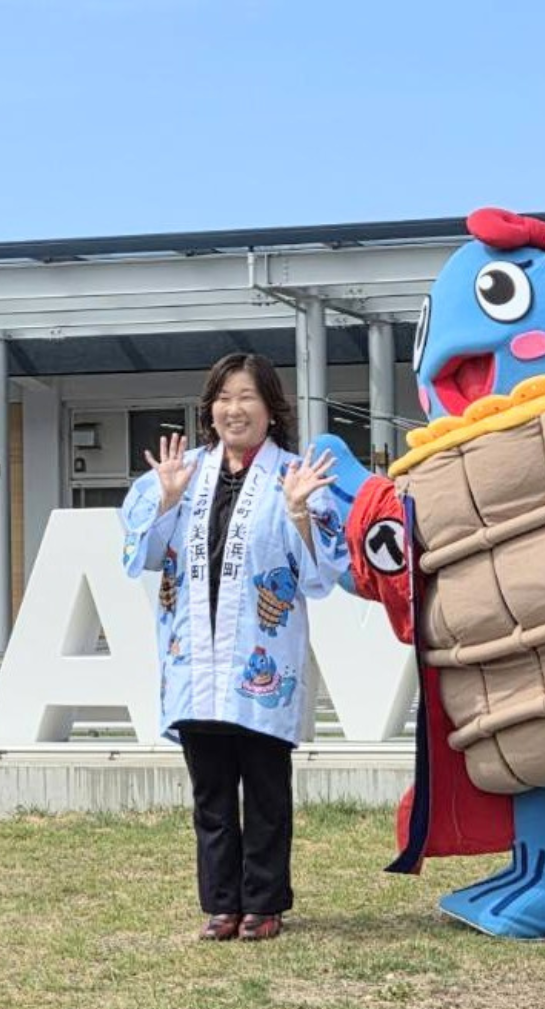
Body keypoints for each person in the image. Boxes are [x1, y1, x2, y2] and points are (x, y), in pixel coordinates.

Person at [120, 352, 349, 941]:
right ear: (209, 409)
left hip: (260, 665)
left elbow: (321, 575)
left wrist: (299, 513)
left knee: (267, 791)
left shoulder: (295, 476)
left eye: (247, 396)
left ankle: (264, 904)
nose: (234, 409)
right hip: (194, 660)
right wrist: (168, 501)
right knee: (211, 794)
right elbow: (143, 556)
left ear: (271, 409)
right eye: (223, 398)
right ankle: (222, 905)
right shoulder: (182, 472)